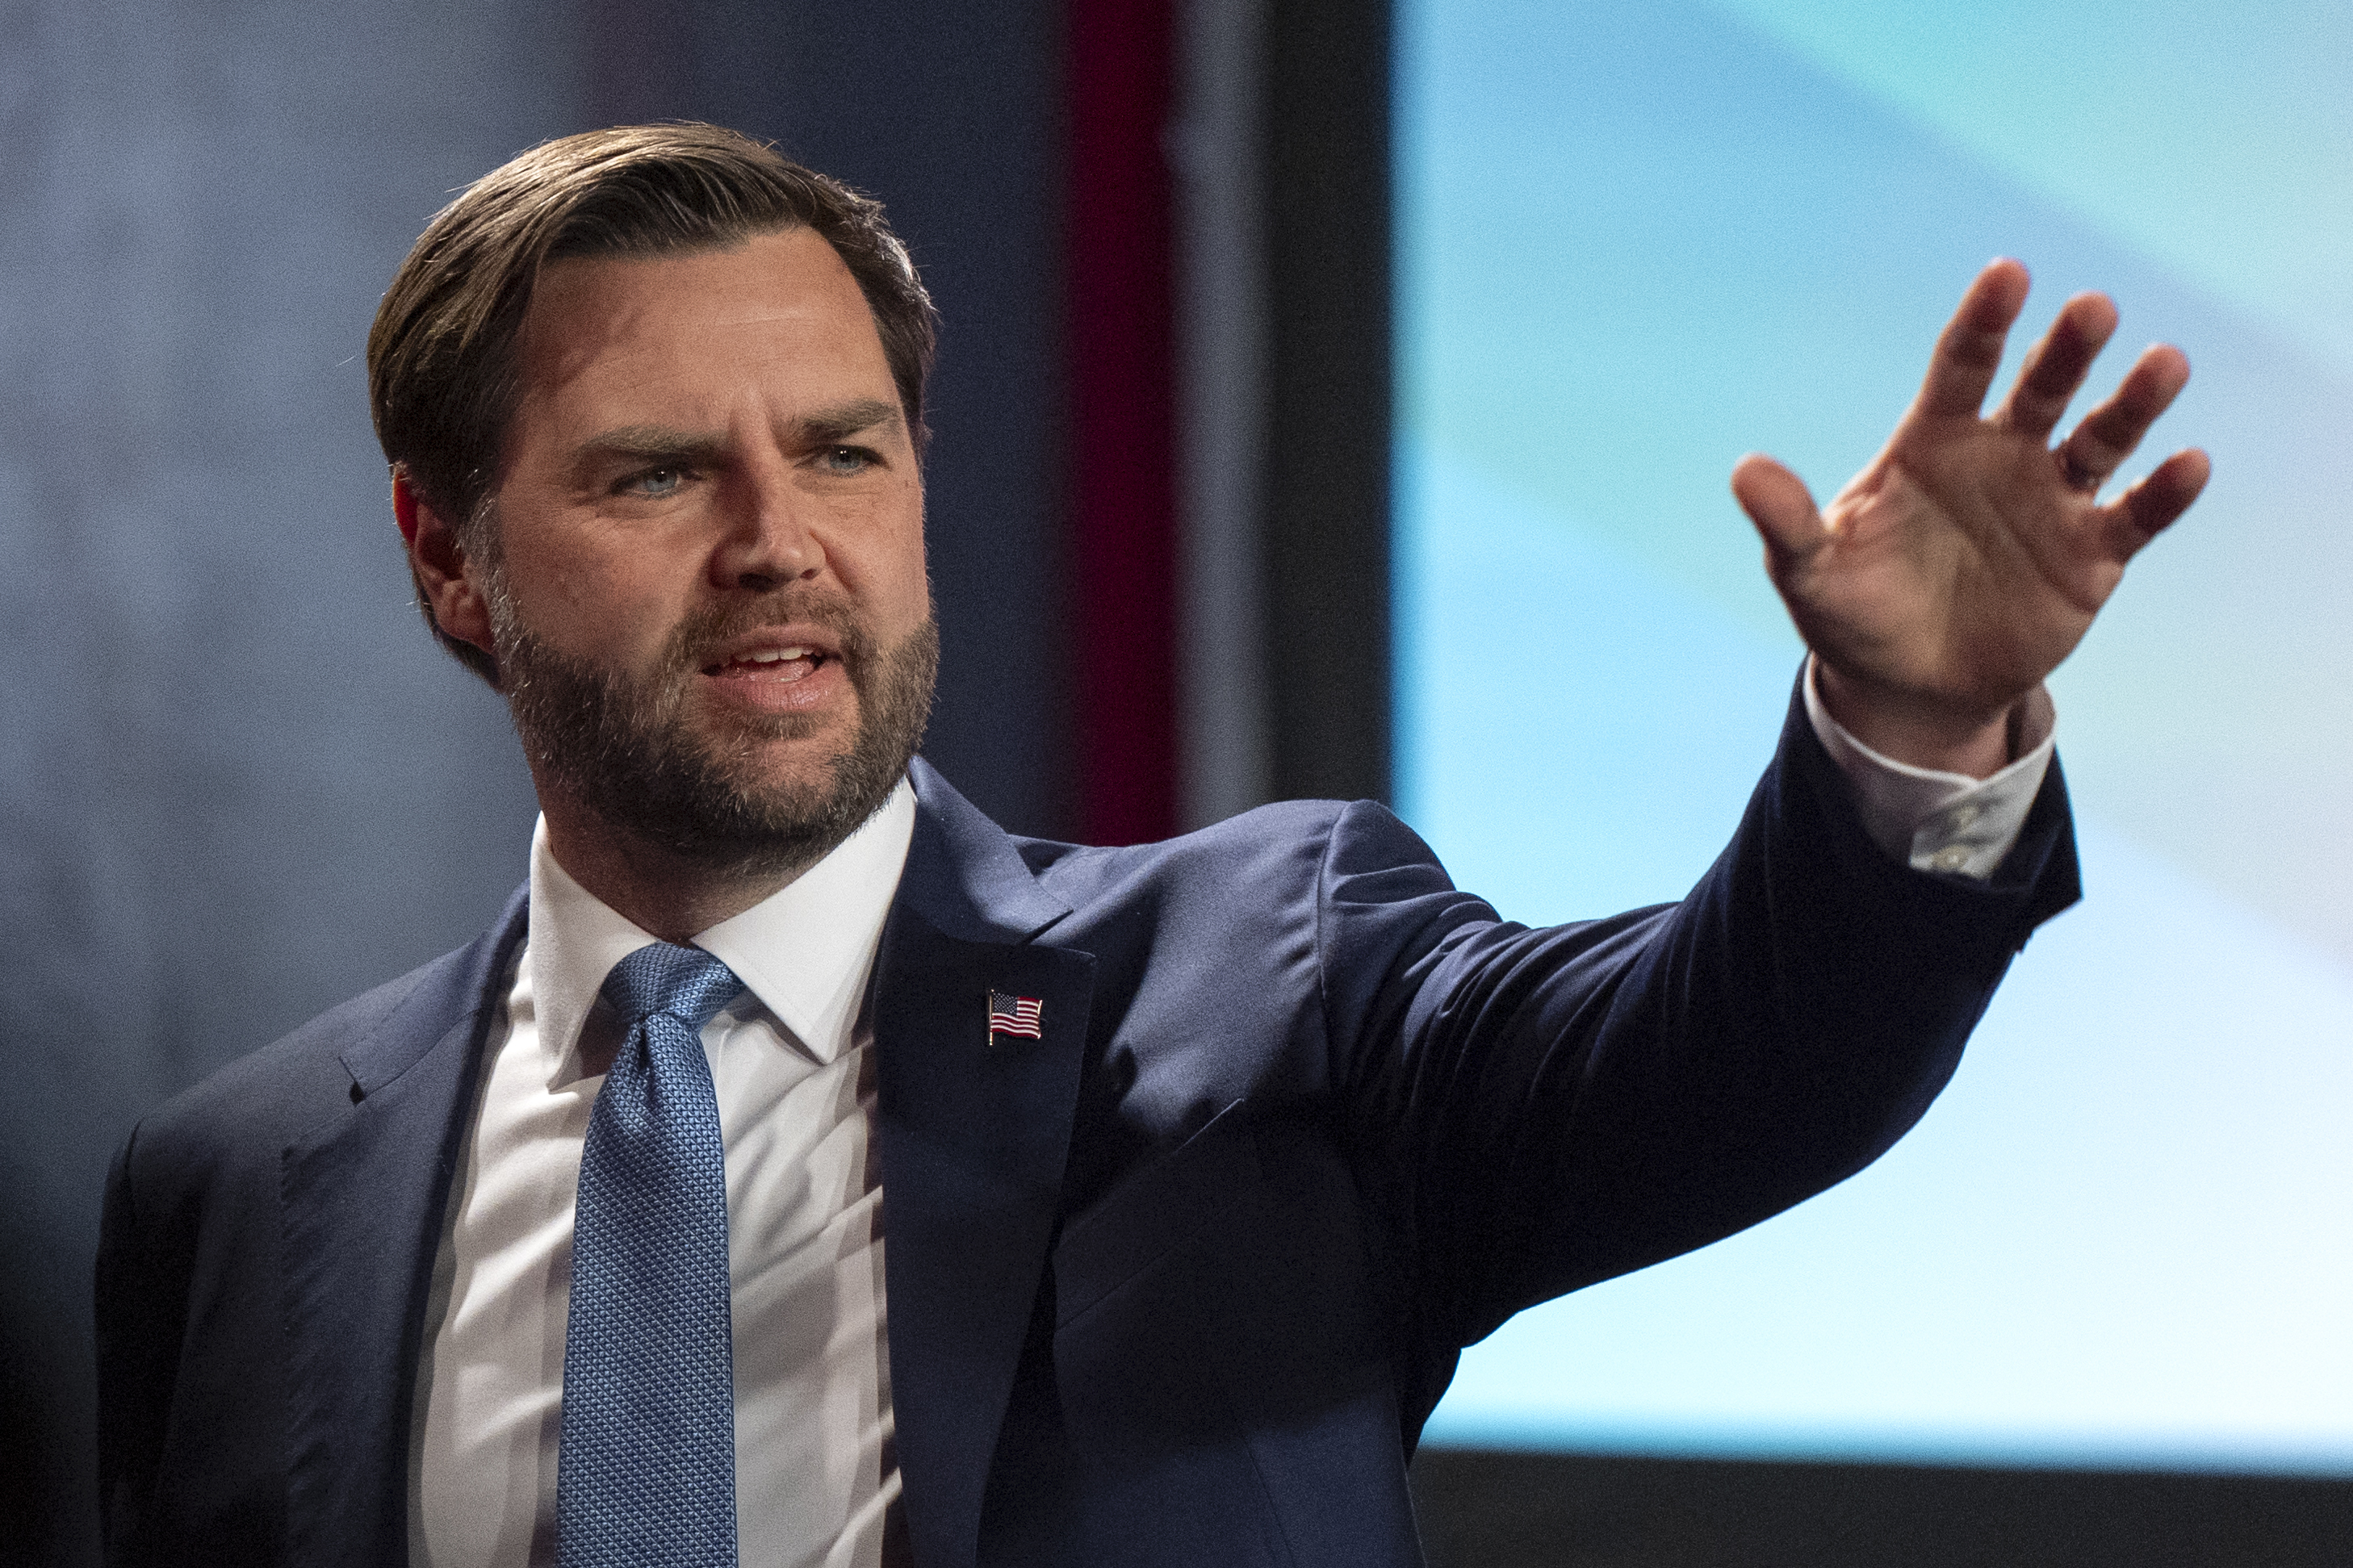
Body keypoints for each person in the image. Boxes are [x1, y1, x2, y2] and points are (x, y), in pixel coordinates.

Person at [92, 123, 2206, 1568]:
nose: (779, 546)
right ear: (450, 562)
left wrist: (1905, 732)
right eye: (656, 473)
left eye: (842, 450)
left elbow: (1726, 1059)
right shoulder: (242, 1186)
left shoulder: (1265, 973)